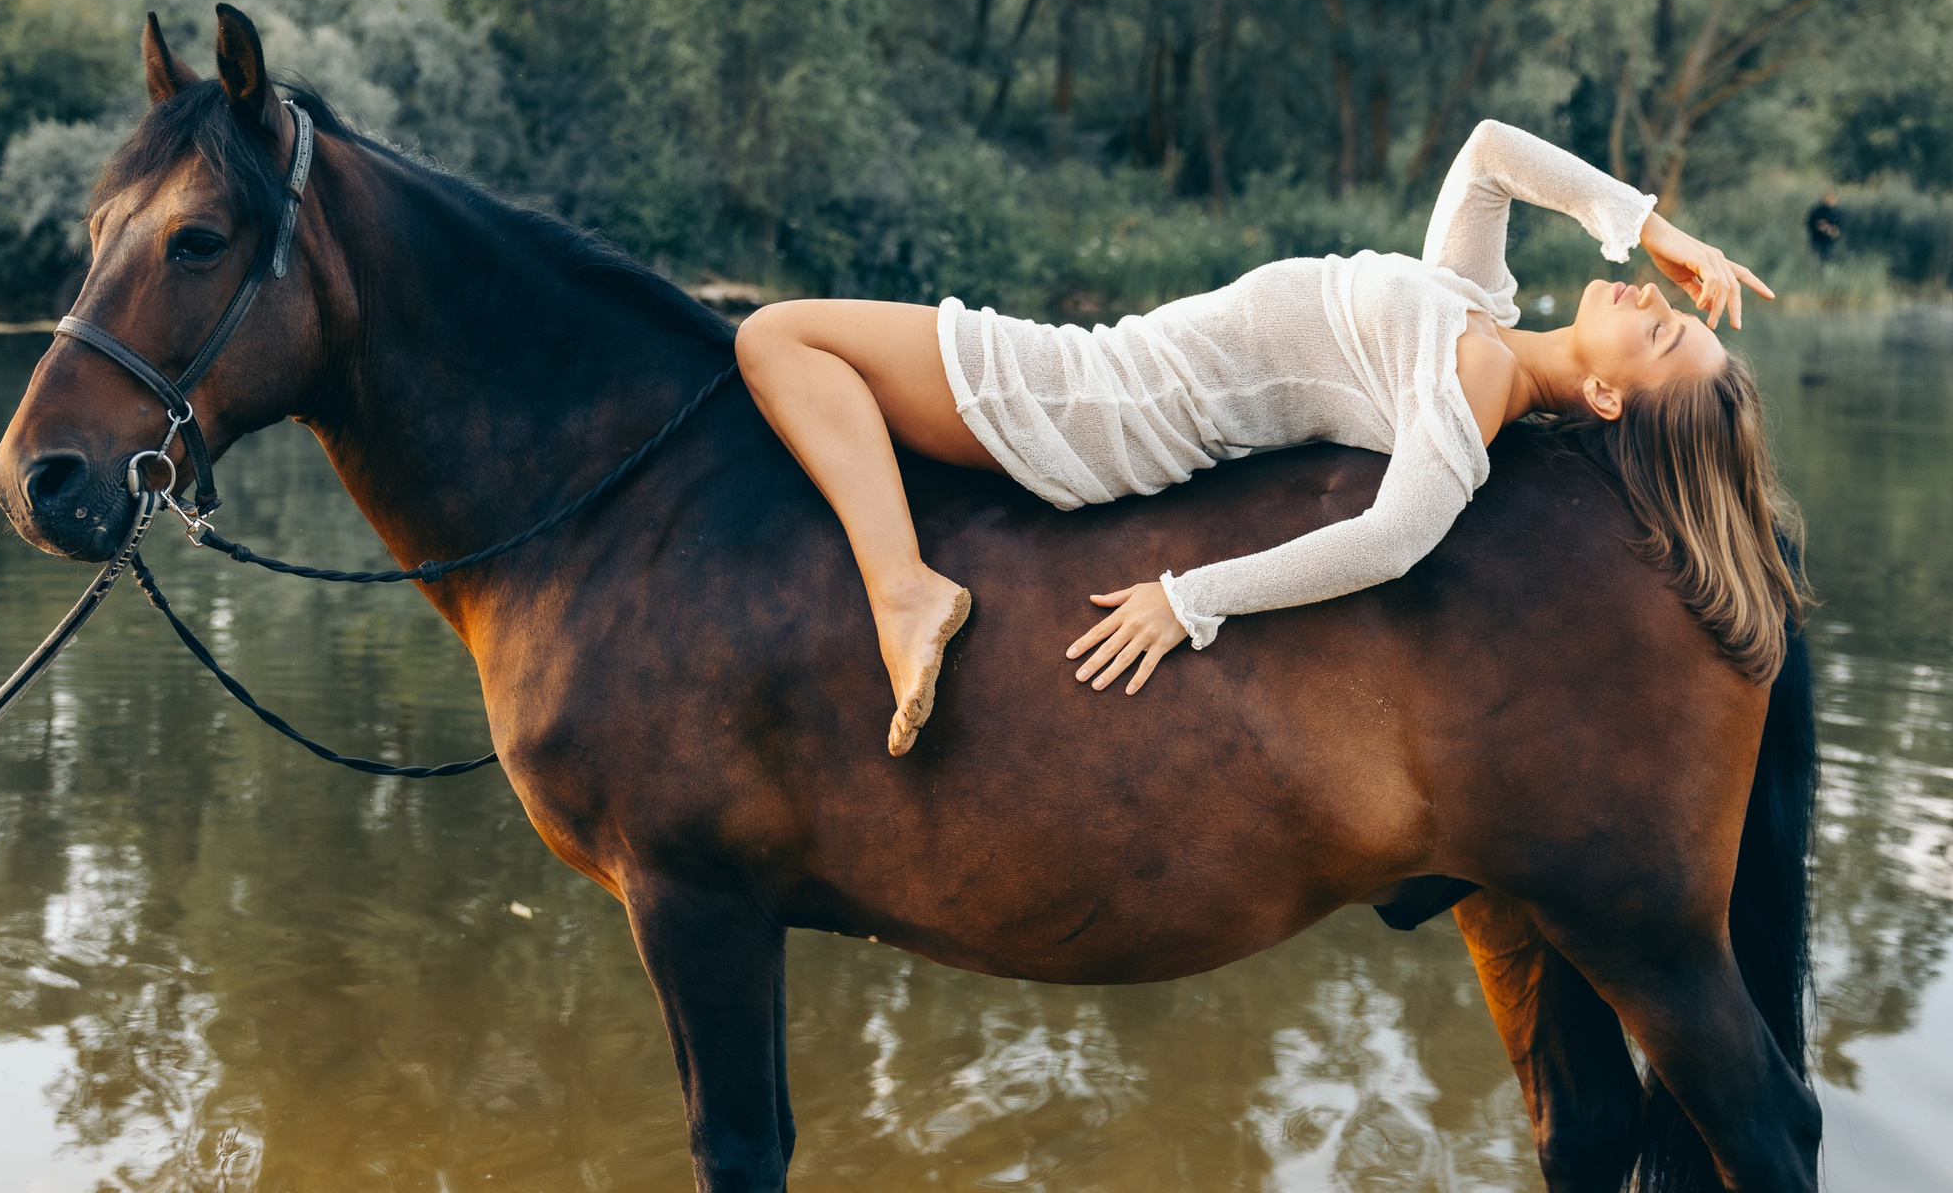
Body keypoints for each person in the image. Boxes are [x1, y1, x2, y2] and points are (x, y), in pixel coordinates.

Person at [735, 120, 1797, 754]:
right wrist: (1653, 227)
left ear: (1609, 399)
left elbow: (1391, 541)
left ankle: (902, 592)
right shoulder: (1479, 308)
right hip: (1099, 369)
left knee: (777, 338)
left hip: (1099, 404)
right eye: (1667, 308)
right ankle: (898, 586)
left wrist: (1191, 600)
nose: (1652, 303)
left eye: (1656, 336)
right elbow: (1485, 156)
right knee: (792, 339)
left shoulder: (1469, 387)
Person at [1805, 190, 1842, 262]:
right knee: (1816, 258)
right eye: (1829, 198)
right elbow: (1810, 223)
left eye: (1833, 198)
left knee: (1828, 258)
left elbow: (1838, 226)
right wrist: (1820, 227)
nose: (1831, 200)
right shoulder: (1818, 210)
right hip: (1817, 239)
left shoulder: (1836, 212)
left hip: (1829, 241)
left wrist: (1835, 231)